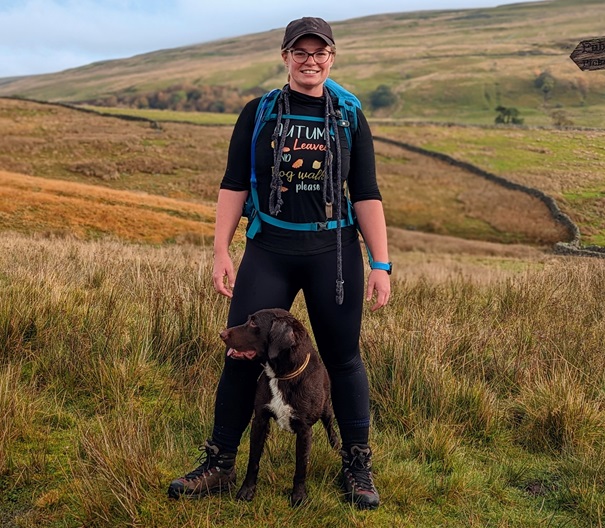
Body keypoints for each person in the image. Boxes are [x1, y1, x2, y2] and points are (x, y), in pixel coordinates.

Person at [168, 16, 391, 510]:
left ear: (332, 57)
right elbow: (233, 183)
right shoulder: (259, 112)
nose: (310, 61)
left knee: (343, 358)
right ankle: (221, 463)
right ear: (285, 56)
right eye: (300, 52)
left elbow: (367, 193)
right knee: (240, 355)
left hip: (332, 255)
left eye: (320, 52)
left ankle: (356, 466)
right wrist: (221, 250)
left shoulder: (350, 114)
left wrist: (381, 262)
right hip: (269, 251)